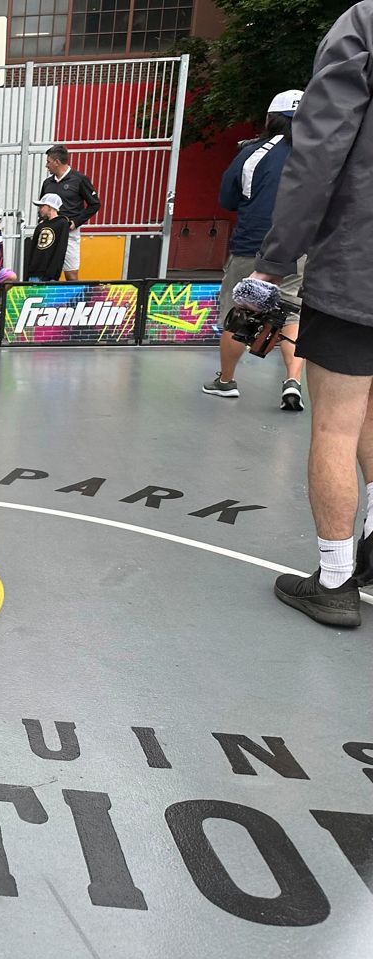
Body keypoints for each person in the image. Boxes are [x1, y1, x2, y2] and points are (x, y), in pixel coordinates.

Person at [251, 2, 373, 627]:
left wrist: (273, 264)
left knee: (337, 425)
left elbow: (320, 154)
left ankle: (334, 579)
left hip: (360, 267)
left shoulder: (364, 25)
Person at [203, 90, 307, 411]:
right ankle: (292, 381)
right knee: (292, 312)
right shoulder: (320, 155)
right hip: (301, 248)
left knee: (241, 313)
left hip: (253, 246)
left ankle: (226, 380)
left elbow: (228, 199)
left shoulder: (252, 153)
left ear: (269, 119)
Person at [40, 146, 101, 281]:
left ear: (57, 162)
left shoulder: (79, 179)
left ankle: (73, 301)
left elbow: (95, 204)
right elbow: (42, 206)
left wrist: (76, 222)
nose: (46, 165)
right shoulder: (47, 183)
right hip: (50, 233)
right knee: (44, 273)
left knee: (71, 274)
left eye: (48, 162)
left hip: (69, 233)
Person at [25, 194, 71, 282]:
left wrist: (54, 274)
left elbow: (60, 250)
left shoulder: (62, 223)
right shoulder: (40, 225)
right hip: (34, 271)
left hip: (49, 273)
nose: (40, 209)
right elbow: (33, 249)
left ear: (49, 207)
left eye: (42, 206)